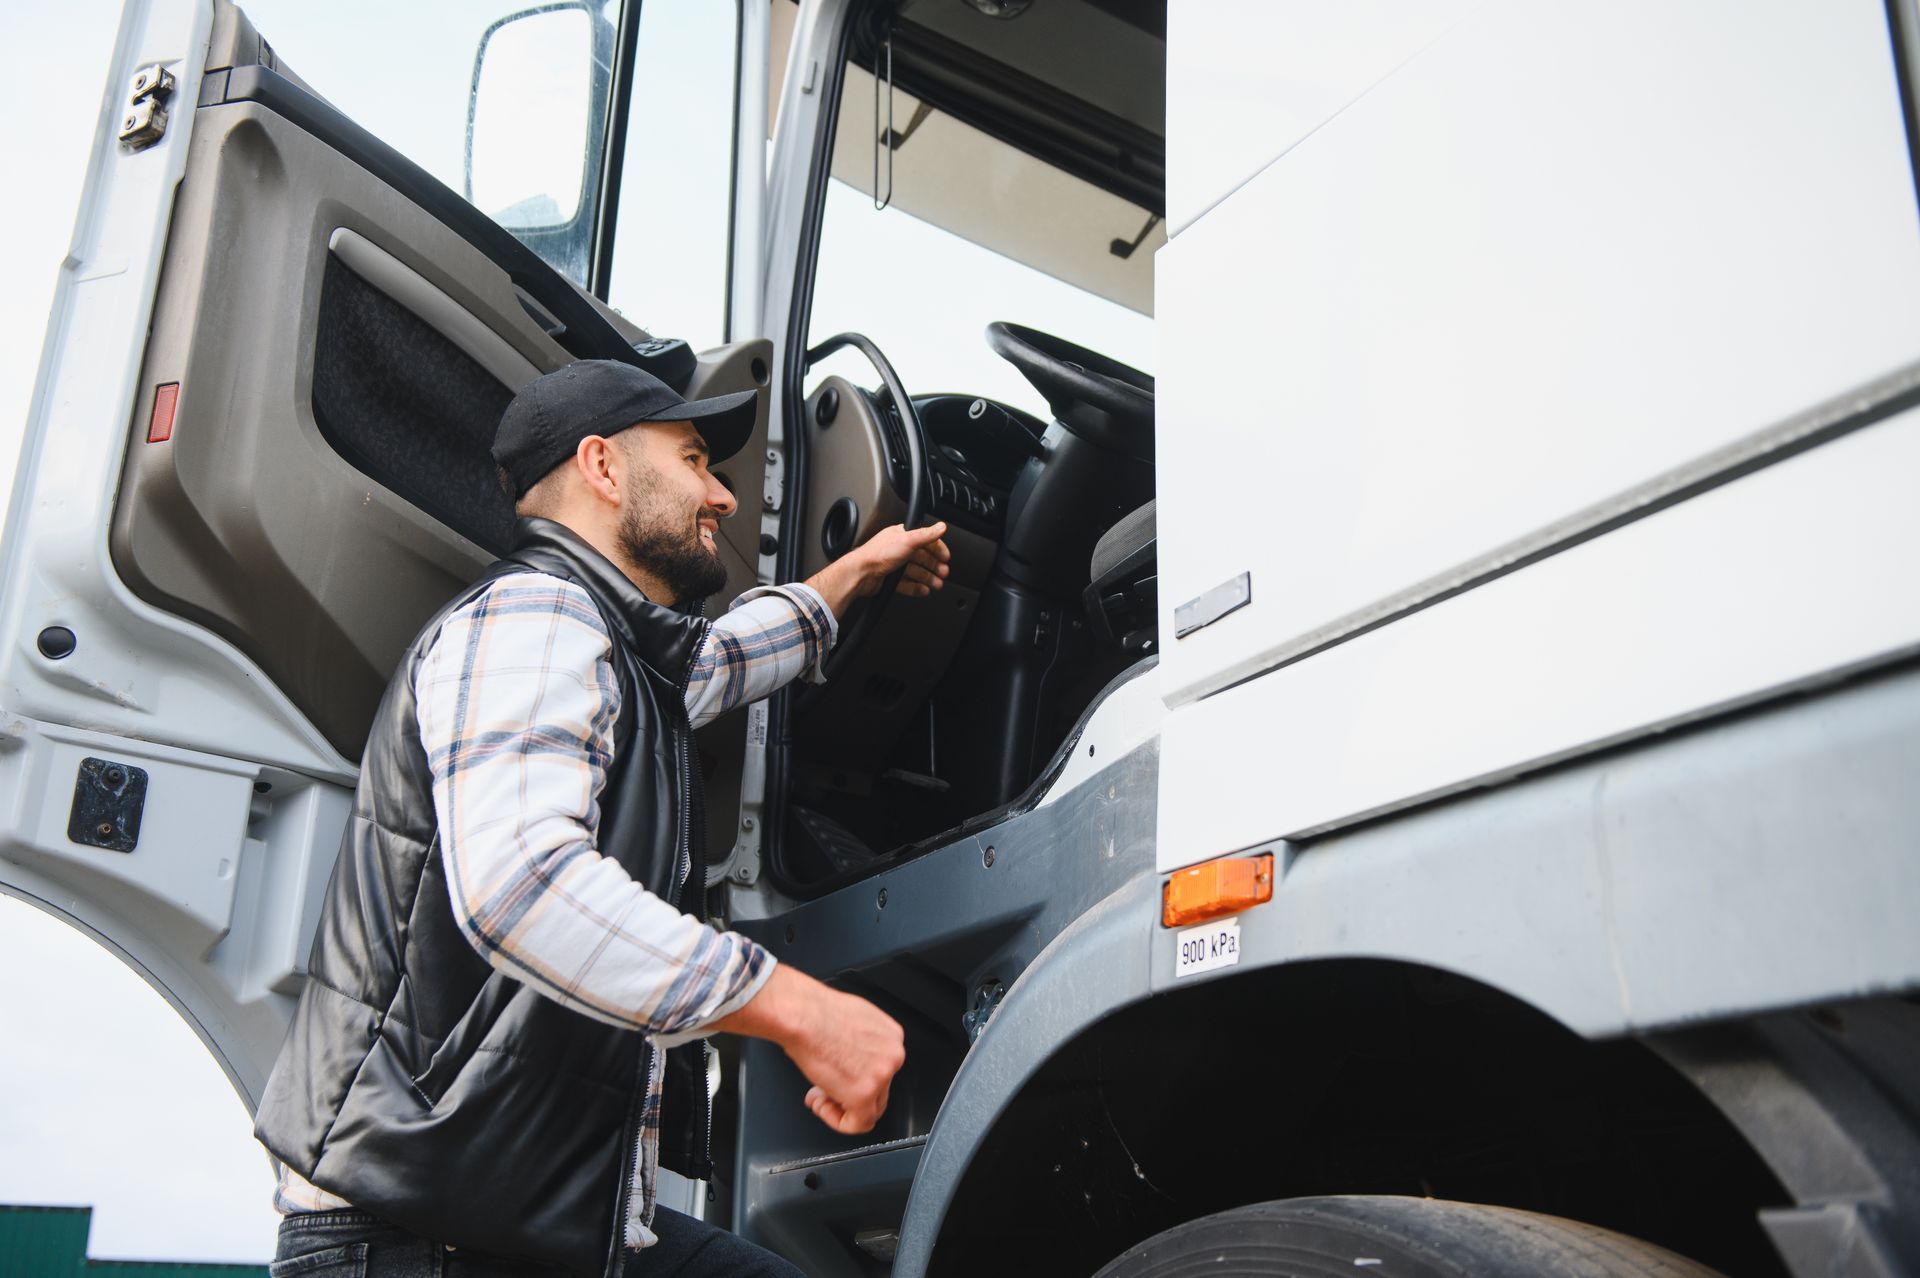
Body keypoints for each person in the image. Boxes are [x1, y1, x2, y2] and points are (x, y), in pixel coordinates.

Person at [254, 359, 951, 1277]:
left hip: (521, 1224)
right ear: (603, 467)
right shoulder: (533, 614)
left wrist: (856, 571)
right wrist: (800, 1009)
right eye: (695, 460)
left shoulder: (618, 654)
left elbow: (724, 660)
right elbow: (522, 885)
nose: (723, 496)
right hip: (413, 1239)